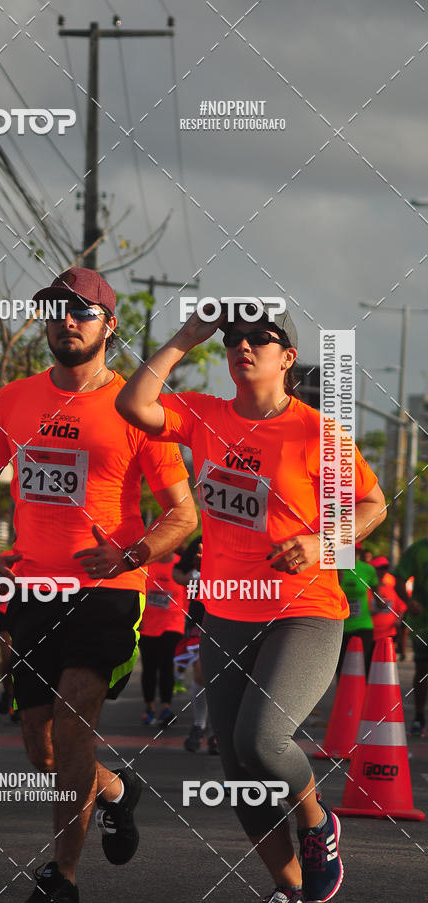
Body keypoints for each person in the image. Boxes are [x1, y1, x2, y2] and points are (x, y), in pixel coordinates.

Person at [116, 300, 386, 903]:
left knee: (263, 741)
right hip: (226, 613)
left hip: (304, 610)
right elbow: (133, 404)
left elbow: (372, 505)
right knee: (239, 773)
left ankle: (319, 823)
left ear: (287, 358)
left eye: (260, 338)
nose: (242, 346)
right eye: (233, 338)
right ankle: (292, 889)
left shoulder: (318, 433)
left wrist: (322, 543)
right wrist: (189, 335)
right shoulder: (205, 416)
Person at [0, 268, 197, 903]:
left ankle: (60, 875)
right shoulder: (14, 399)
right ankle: (116, 789)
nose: (67, 319)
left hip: (108, 590)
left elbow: (184, 513)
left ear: (108, 325)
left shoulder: (135, 409)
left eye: (82, 311)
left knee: (72, 718)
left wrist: (132, 554)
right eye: (57, 309)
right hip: (30, 591)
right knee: (41, 749)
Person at [172, 535, 218, 754]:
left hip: (231, 616)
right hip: (199, 618)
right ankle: (199, 725)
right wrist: (194, 575)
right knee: (200, 671)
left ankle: (217, 732)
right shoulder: (199, 541)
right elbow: (177, 573)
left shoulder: (239, 542)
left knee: (224, 676)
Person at [139, 551, 185, 727]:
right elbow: (138, 590)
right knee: (149, 667)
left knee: (167, 665)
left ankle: (166, 707)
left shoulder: (180, 565)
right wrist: (139, 616)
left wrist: (188, 617)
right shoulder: (147, 564)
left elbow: (189, 591)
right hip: (148, 624)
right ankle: (149, 707)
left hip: (173, 623)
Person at [394, 538, 428, 737]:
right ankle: (419, 716)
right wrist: (409, 602)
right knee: (423, 668)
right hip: (423, 622)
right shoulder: (417, 549)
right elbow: (399, 579)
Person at [336, 543, 378, 675]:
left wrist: (381, 603)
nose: (352, 554)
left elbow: (377, 594)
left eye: (355, 551)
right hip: (341, 625)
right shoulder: (334, 568)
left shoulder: (368, 570)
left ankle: (363, 694)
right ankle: (343, 694)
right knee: (341, 666)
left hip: (363, 625)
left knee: (361, 665)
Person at [369, 556, 407, 660]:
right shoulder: (364, 588)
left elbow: (401, 607)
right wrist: (373, 612)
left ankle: (402, 651)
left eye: (385, 568)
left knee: (386, 666)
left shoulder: (391, 587)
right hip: (369, 634)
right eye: (379, 568)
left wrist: (398, 620)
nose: (382, 571)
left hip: (388, 635)